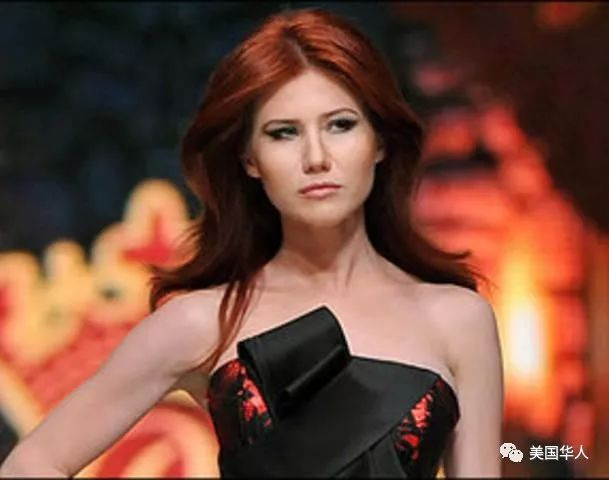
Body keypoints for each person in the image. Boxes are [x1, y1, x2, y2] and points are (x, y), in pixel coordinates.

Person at [0, 7, 504, 478]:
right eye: (284, 133)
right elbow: (29, 465)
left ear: (379, 142)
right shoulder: (204, 321)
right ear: (250, 159)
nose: (316, 158)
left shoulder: (458, 319)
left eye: (341, 125)